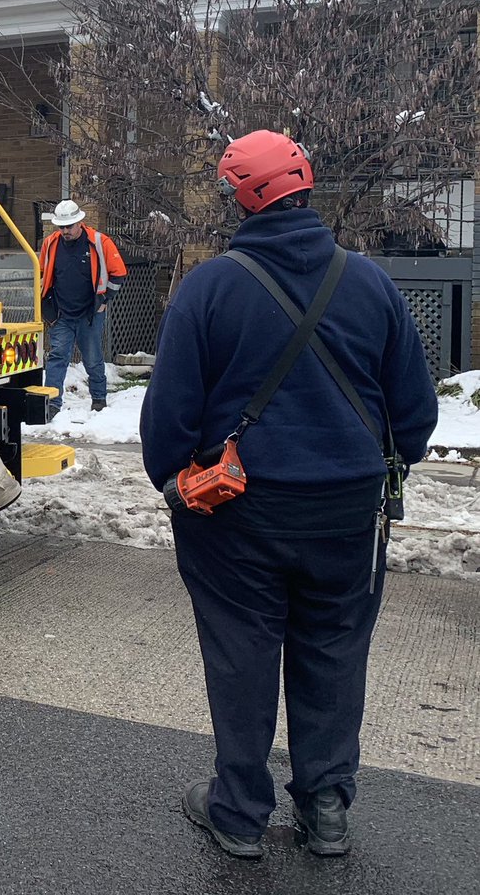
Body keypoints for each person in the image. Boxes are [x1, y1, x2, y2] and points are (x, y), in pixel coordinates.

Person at [140, 130, 437, 861]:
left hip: (236, 512)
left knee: (240, 653)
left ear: (239, 198)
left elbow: (167, 420)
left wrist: (175, 479)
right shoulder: (368, 281)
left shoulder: (210, 286)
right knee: (333, 650)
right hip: (347, 512)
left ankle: (238, 813)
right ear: (307, 186)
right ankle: (326, 807)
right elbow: (416, 412)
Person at [39, 199, 127, 414]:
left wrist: (104, 301)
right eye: (62, 227)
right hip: (60, 313)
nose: (65, 231)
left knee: (93, 358)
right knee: (57, 357)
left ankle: (98, 398)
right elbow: (41, 273)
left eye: (69, 226)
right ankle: (52, 404)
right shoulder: (51, 243)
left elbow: (119, 274)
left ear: (80, 223)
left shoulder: (99, 242)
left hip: (89, 312)